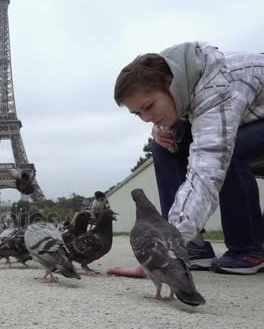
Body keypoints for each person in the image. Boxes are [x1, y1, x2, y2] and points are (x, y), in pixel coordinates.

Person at [107, 41, 264, 276]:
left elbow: (208, 167)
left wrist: (163, 251)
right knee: (164, 144)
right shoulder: (184, 81)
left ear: (172, 84)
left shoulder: (218, 86)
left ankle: (250, 248)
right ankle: (193, 247)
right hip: (248, 117)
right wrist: (166, 126)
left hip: (247, 115)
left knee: (230, 149)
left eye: (149, 107)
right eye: (138, 113)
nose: (146, 118)